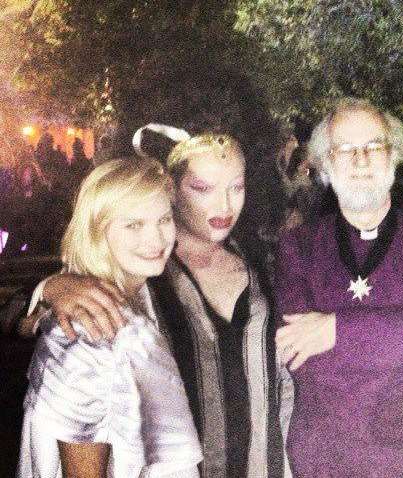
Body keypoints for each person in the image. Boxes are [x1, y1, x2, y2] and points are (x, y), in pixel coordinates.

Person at [19, 128, 288, 478]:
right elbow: (31, 320)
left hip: (262, 463)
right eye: (203, 188)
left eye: (236, 187)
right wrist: (50, 288)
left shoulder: (261, 258)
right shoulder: (135, 280)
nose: (224, 205)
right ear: (176, 192)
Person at [275, 97, 403, 477]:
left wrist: (335, 330)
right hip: (327, 463)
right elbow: (302, 361)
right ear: (326, 165)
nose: (361, 160)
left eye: (374, 146)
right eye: (345, 149)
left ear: (394, 156)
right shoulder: (297, 248)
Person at [17, 157, 202, 477]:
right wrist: (46, 292)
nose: (156, 239)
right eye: (134, 225)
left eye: (164, 219)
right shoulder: (90, 329)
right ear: (97, 230)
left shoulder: (150, 293)